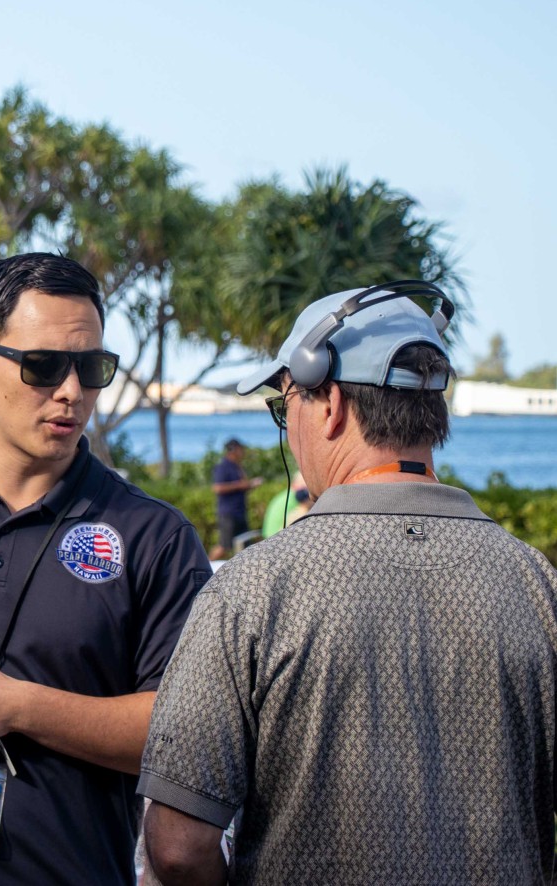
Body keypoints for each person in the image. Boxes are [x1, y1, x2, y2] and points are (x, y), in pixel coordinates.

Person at [139, 282, 557, 885]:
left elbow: (177, 846)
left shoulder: (252, 590)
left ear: (329, 402)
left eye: (286, 407)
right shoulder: (536, 584)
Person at [0, 252, 212, 885]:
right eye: (44, 365)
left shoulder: (153, 537)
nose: (72, 391)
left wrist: (17, 706)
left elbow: (182, 735)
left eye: (91, 368)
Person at [210, 438, 262, 554]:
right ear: (233, 450)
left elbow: (242, 486)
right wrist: (239, 485)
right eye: (240, 449)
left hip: (240, 512)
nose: (243, 452)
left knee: (245, 544)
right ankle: (207, 568)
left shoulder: (237, 466)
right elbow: (217, 488)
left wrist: (250, 485)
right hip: (229, 513)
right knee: (224, 546)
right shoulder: (224, 466)